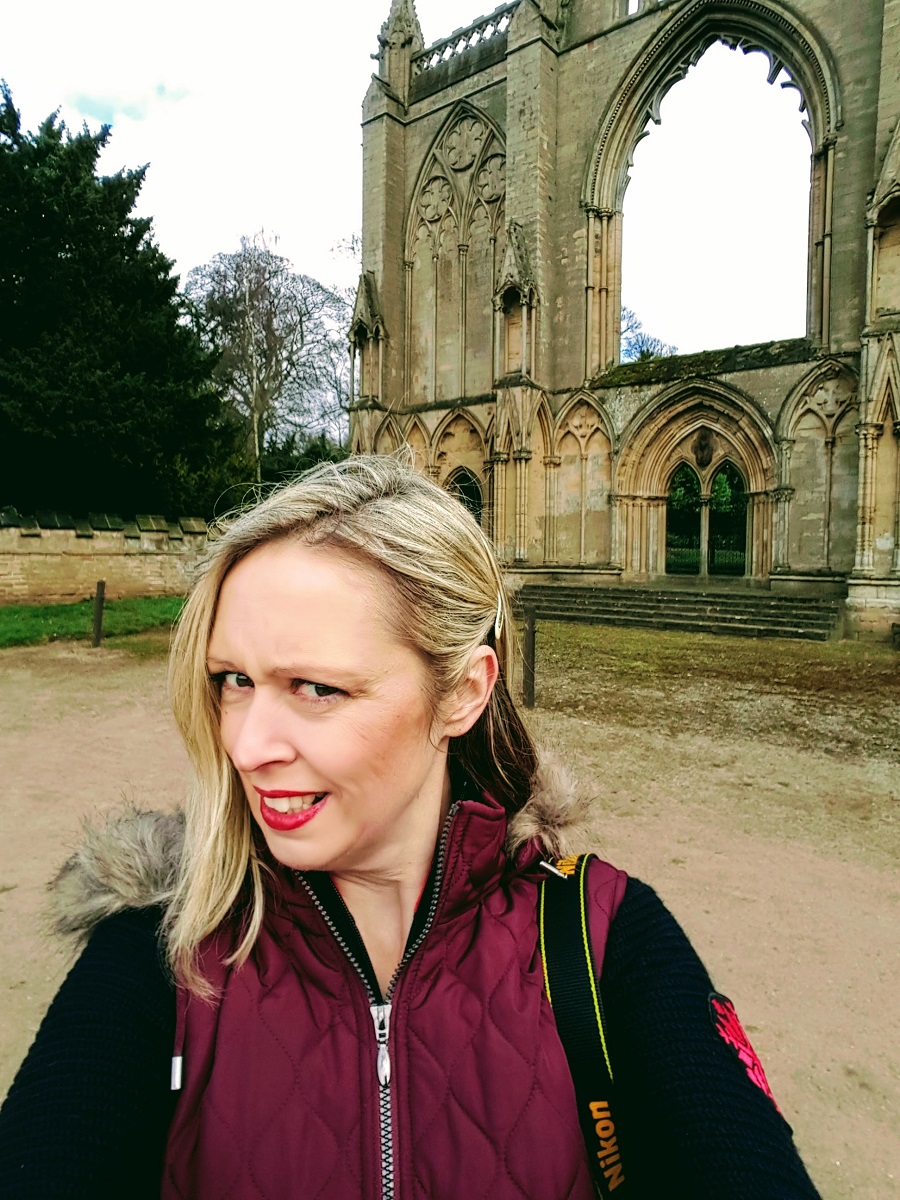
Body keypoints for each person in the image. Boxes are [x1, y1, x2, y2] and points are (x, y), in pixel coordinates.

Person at [0, 455, 821, 1199]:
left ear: (463, 693)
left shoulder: (605, 944)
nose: (247, 746)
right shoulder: (156, 954)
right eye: (233, 680)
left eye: (317, 688)